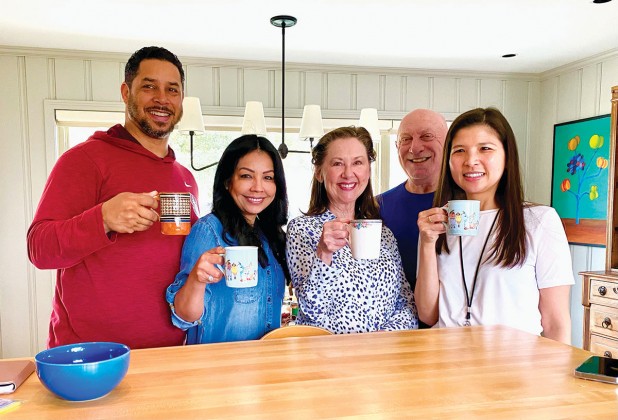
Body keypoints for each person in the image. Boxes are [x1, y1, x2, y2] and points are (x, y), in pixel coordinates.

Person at [27, 46, 198, 349]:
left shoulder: (185, 178)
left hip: (171, 354)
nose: (162, 98)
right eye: (149, 86)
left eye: (172, 89)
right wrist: (103, 217)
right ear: (125, 92)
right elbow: (39, 249)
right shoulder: (85, 160)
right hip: (91, 356)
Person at [415, 107, 573, 344]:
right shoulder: (437, 224)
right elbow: (428, 315)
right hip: (446, 367)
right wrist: (427, 243)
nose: (470, 161)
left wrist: (557, 378)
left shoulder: (540, 221)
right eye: (459, 151)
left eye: (485, 148)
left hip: (513, 369)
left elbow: (556, 322)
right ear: (448, 161)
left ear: (507, 157)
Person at [286, 126, 418, 334]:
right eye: (337, 163)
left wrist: (380, 341)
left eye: (357, 162)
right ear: (319, 172)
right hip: (327, 357)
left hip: (383, 356)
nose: (348, 173)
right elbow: (312, 313)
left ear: (367, 170)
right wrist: (324, 254)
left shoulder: (384, 234)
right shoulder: (302, 229)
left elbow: (407, 305)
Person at [166, 135, 288, 344]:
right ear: (227, 181)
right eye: (246, 176)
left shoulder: (270, 235)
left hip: (266, 365)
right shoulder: (208, 231)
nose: (258, 187)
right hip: (219, 368)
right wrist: (196, 280)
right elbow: (183, 318)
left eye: (268, 177)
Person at [378, 109, 447, 294]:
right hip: (395, 322)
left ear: (448, 144)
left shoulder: (467, 207)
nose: (414, 148)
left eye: (426, 136)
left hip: (456, 321)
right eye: (405, 139)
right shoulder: (376, 207)